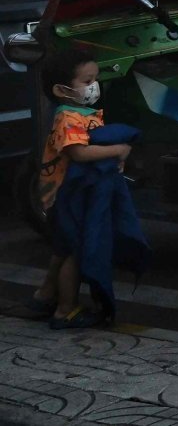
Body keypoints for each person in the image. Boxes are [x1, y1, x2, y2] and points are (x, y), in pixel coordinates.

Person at [24, 51, 130, 328]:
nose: (94, 85)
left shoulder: (82, 112)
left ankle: (44, 295)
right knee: (74, 252)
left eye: (95, 79)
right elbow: (79, 153)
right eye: (87, 80)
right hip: (65, 196)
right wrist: (117, 149)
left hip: (70, 195)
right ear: (62, 89)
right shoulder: (68, 117)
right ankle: (65, 310)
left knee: (63, 248)